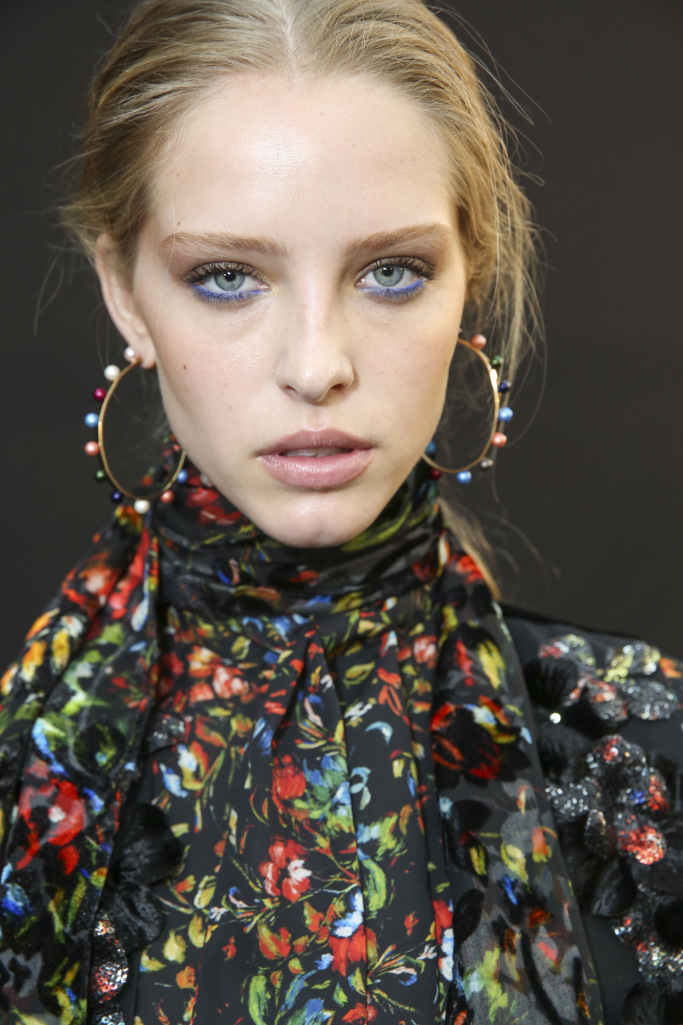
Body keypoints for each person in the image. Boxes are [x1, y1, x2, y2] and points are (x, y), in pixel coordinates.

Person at [0, 1, 681, 1023]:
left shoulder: (647, 759)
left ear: (469, 277)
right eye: (225, 277)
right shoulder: (19, 781)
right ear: (125, 292)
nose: (317, 365)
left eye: (391, 272)